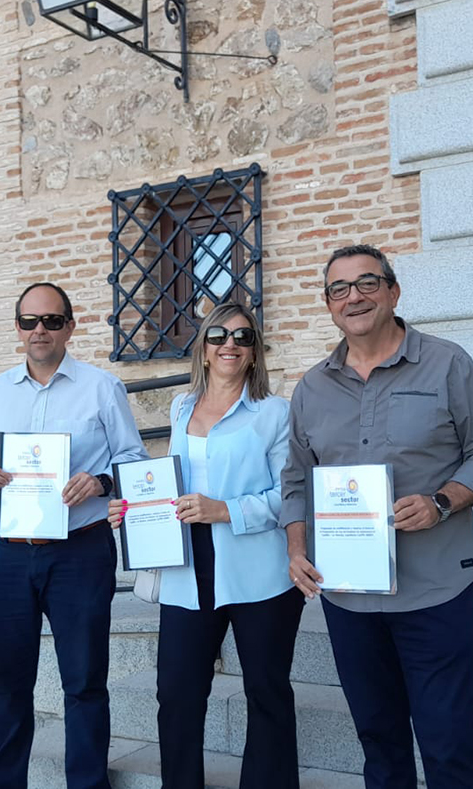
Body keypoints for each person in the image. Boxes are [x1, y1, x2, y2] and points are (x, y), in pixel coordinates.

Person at [280, 244, 473, 789]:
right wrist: (295, 549)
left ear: (392, 291)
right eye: (339, 289)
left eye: (366, 283)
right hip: (347, 595)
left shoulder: (447, 362)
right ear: (328, 304)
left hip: (433, 588)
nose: (353, 297)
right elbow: (296, 480)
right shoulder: (312, 387)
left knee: (448, 736)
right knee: (377, 737)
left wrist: (441, 502)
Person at [0, 281, 147, 789]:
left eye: (51, 320)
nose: (39, 330)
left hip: (79, 553)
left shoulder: (102, 387)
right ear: (17, 328)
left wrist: (102, 481)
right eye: (29, 321)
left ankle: (87, 784)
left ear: (70, 325)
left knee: (85, 681)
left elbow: (134, 461)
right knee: (7, 681)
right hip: (5, 554)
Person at [108, 302, 303, 789]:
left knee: (266, 691)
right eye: (218, 335)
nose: (229, 344)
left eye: (242, 336)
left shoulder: (274, 413)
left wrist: (226, 510)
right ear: (204, 347)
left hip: (258, 571)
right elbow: (173, 484)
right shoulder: (180, 406)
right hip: (186, 569)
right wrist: (133, 511)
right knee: (176, 692)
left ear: (255, 352)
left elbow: (290, 493)